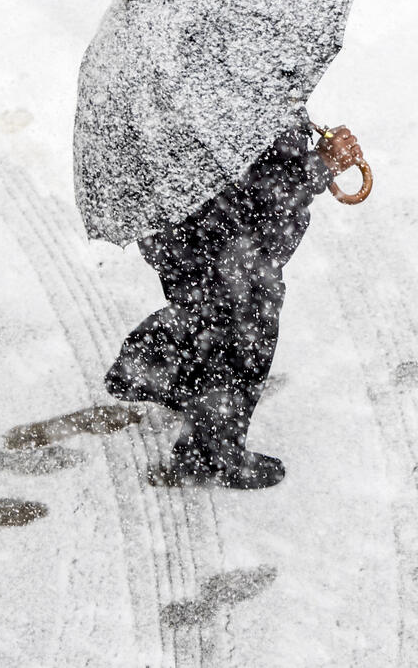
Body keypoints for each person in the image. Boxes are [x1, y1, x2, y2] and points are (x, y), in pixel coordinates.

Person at [104, 117, 363, 488]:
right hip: (220, 242)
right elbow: (254, 200)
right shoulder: (228, 90)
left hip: (180, 231)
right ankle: (210, 455)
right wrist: (318, 166)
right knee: (244, 331)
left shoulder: (196, 94)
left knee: (204, 310)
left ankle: (149, 366)